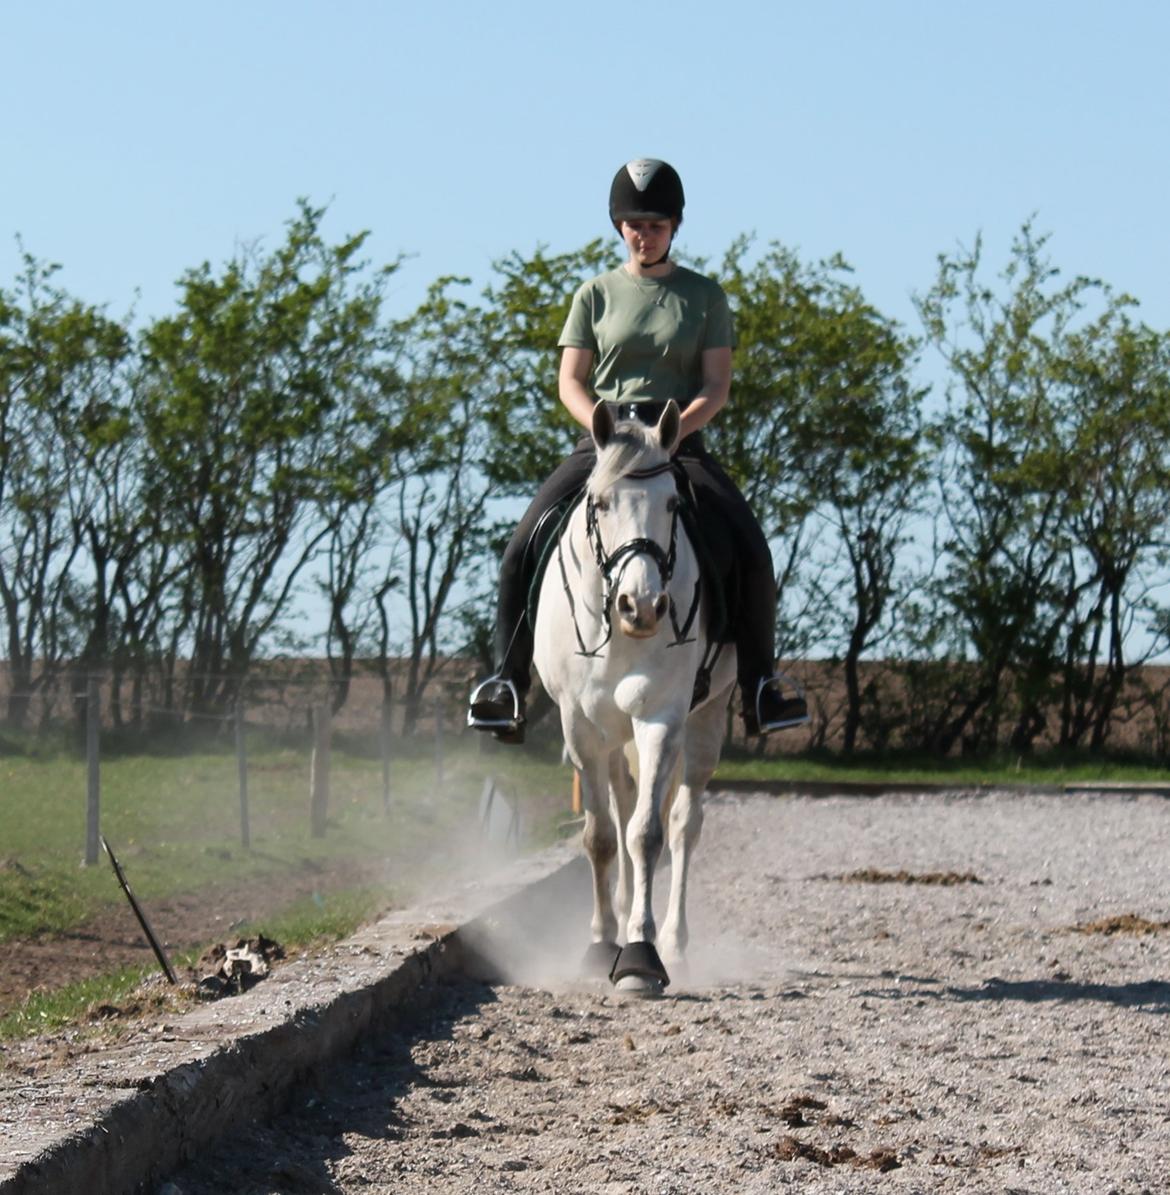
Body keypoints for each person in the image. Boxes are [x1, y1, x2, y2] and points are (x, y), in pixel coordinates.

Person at [468, 157, 808, 743]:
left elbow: (716, 386)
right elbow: (570, 381)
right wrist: (602, 430)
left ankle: (760, 686)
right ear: (619, 227)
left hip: (678, 437)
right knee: (523, 545)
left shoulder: (704, 297)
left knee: (751, 547)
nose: (643, 234)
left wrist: (670, 434)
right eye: (634, 224)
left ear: (674, 226)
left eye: (654, 224)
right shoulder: (594, 295)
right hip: (604, 440)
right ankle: (508, 683)